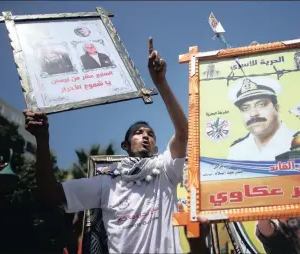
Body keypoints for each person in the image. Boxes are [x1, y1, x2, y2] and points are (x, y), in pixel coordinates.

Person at [23, 37, 205, 254]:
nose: (146, 137)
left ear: (156, 147)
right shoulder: (106, 184)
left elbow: (184, 133)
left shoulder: (166, 171)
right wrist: (42, 139)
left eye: (151, 135)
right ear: (126, 145)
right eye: (138, 133)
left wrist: (160, 83)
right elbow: (50, 194)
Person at [227, 75, 300, 161]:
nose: (253, 113)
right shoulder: (236, 149)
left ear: (277, 108)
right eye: (245, 108)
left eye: (261, 104)